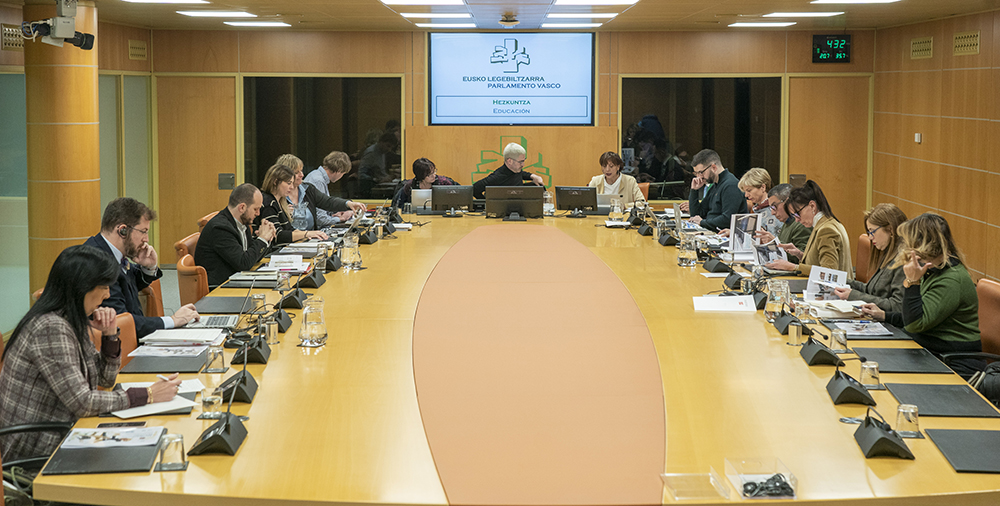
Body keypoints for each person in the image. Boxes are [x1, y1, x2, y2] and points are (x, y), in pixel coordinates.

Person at [0, 245, 181, 468]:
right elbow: (83, 402)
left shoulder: (71, 318)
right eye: (104, 286)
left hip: (69, 432)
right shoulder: (50, 327)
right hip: (39, 453)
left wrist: (109, 335)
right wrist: (148, 394)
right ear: (81, 287)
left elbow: (105, 380)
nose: (107, 294)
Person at [860, 213, 982, 379]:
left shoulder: (952, 279)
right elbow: (917, 314)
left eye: (910, 243)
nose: (906, 248)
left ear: (924, 244)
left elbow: (915, 323)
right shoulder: (932, 269)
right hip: (928, 350)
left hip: (952, 362)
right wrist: (885, 315)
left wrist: (912, 282)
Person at [84, 198, 199, 338]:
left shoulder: (108, 251)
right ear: (123, 231)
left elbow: (125, 285)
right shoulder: (97, 262)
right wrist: (172, 320)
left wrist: (149, 267)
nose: (146, 239)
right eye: (143, 231)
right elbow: (121, 321)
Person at [258, 163, 365, 245]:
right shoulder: (269, 202)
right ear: (276, 182)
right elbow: (279, 235)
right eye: (288, 183)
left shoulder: (280, 201)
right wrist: (308, 234)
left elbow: (327, 201)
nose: (291, 187)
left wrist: (348, 204)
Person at [196, 184, 278, 289]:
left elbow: (251, 257)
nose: (258, 213)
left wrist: (266, 238)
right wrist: (262, 239)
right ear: (242, 207)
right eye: (255, 209)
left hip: (236, 279)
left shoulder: (242, 223)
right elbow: (244, 263)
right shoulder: (220, 228)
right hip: (220, 288)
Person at [765, 180, 852, 278]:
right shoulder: (825, 224)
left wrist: (794, 267)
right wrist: (800, 254)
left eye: (797, 214)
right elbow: (819, 262)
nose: (797, 220)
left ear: (812, 206)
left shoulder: (826, 230)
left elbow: (829, 273)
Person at [833, 204, 907, 312]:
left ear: (890, 230)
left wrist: (853, 295)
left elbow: (897, 306)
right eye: (869, 232)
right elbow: (871, 290)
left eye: (872, 231)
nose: (870, 237)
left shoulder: (903, 260)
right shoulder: (888, 252)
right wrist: (842, 281)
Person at [686, 149, 748, 232]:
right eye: (696, 173)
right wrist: (694, 190)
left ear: (713, 167)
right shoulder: (715, 185)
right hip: (712, 233)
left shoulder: (731, 185)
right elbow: (696, 214)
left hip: (723, 237)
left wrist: (702, 222)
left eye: (701, 172)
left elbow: (727, 219)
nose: (699, 177)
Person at [755, 184, 811, 264]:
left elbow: (803, 259)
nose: (772, 212)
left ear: (787, 202)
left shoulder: (802, 224)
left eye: (774, 207)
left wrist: (775, 243)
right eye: (771, 208)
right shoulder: (787, 223)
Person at [472, 142, 544, 199]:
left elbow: (521, 174)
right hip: (503, 213)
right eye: (520, 162)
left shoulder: (516, 170)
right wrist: (487, 204)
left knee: (538, 187)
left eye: (524, 160)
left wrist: (533, 176)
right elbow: (474, 189)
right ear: (509, 161)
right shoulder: (497, 176)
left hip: (520, 208)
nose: (523, 164)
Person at [303, 151, 355, 228]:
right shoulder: (318, 181)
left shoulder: (316, 175)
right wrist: (341, 218)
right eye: (343, 174)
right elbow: (320, 219)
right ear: (339, 170)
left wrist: (332, 214)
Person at [393, 157, 458, 208]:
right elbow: (398, 206)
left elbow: (461, 192)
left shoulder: (444, 182)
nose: (434, 176)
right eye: (429, 174)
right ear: (421, 176)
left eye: (434, 172)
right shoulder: (410, 186)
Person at [359, 132, 399, 197]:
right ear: (381, 142)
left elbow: (380, 171)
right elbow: (362, 175)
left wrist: (388, 177)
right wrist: (378, 180)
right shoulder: (371, 153)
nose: (389, 150)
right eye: (388, 146)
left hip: (379, 185)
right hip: (369, 187)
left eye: (391, 148)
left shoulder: (382, 153)